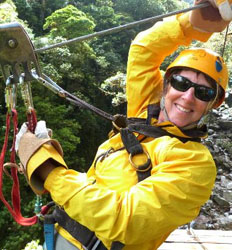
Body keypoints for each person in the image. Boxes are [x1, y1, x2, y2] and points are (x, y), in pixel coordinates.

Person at [16, 0, 231, 249]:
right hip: (57, 235)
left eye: (203, 93)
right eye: (182, 82)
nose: (188, 96)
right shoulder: (144, 113)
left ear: (211, 105)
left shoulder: (195, 164)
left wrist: (49, 171)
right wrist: (190, 23)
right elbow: (144, 49)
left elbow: (125, 219)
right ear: (166, 84)